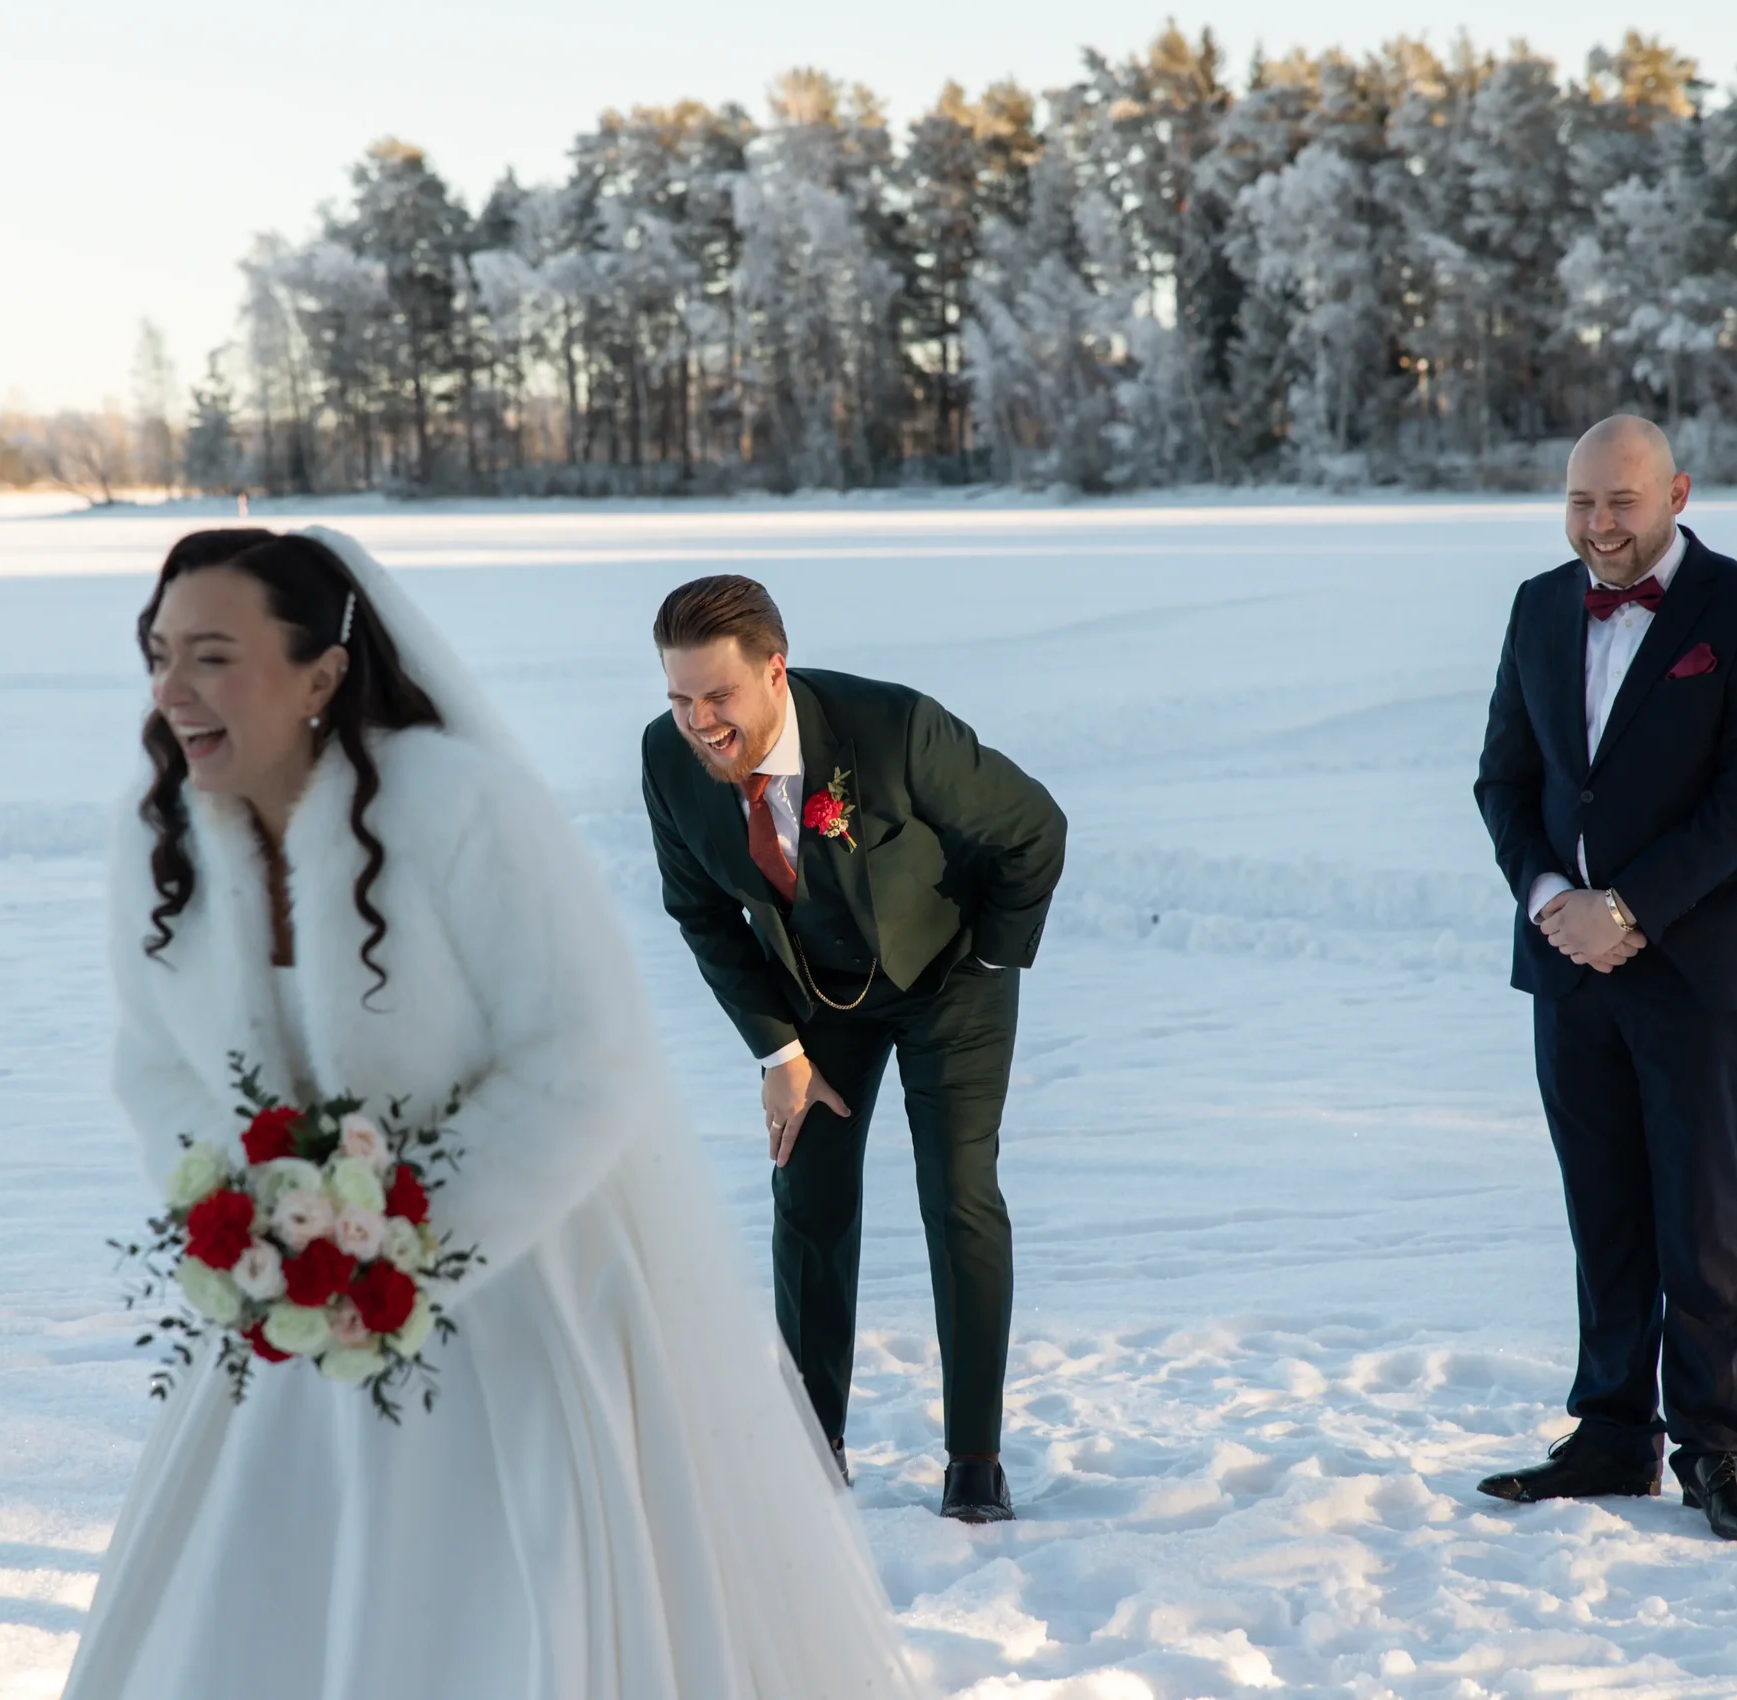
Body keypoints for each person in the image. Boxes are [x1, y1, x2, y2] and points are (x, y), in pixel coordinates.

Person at [63, 529, 926, 1699]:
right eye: (157, 654)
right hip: (293, 1314)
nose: (172, 691)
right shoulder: (155, 833)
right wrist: (252, 1207)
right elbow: (152, 1057)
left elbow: (583, 1053)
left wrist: (415, 1229)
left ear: (320, 672)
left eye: (211, 656)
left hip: (523, 1295)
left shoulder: (458, 808)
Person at [641, 575, 1066, 1524]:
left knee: (956, 1194)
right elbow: (701, 914)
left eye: (719, 697)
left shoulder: (894, 729)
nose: (700, 722)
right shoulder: (667, 762)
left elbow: (1035, 830)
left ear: (775, 671)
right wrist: (777, 1052)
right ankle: (811, 1443)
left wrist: (992, 955)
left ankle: (974, 1460)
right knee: (810, 1190)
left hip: (950, 977)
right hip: (816, 994)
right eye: (679, 699)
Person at [1472, 416, 1737, 1543]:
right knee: (1602, 1207)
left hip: (1697, 966)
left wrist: (1629, 906)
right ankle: (1612, 1430)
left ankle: (1711, 1444)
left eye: (1619, 503)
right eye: (1578, 503)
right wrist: (1549, 901)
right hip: (1567, 966)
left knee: (1703, 1220)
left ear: (1674, 492)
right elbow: (1503, 781)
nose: (1598, 527)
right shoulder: (1534, 604)